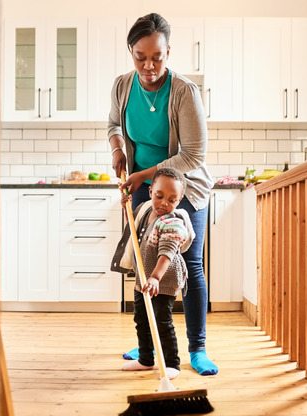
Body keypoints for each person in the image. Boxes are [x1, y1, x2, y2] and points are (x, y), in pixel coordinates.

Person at [108, 12, 218, 376]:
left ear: (168, 52)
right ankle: (148, 343)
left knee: (189, 266)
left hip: (184, 186)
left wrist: (140, 175)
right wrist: (117, 150)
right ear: (131, 52)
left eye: (157, 57)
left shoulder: (184, 91)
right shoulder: (123, 86)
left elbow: (193, 155)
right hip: (145, 188)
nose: (149, 65)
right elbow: (113, 124)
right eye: (141, 57)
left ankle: (197, 348)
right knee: (145, 265)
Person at [111, 167, 193, 379]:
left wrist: (156, 277)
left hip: (163, 279)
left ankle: (172, 363)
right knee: (142, 319)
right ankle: (146, 359)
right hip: (144, 279)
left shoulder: (172, 221)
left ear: (180, 199)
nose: (165, 203)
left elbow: (167, 252)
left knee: (162, 320)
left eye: (172, 199)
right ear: (150, 193)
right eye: (159, 196)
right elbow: (134, 228)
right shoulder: (146, 210)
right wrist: (126, 208)